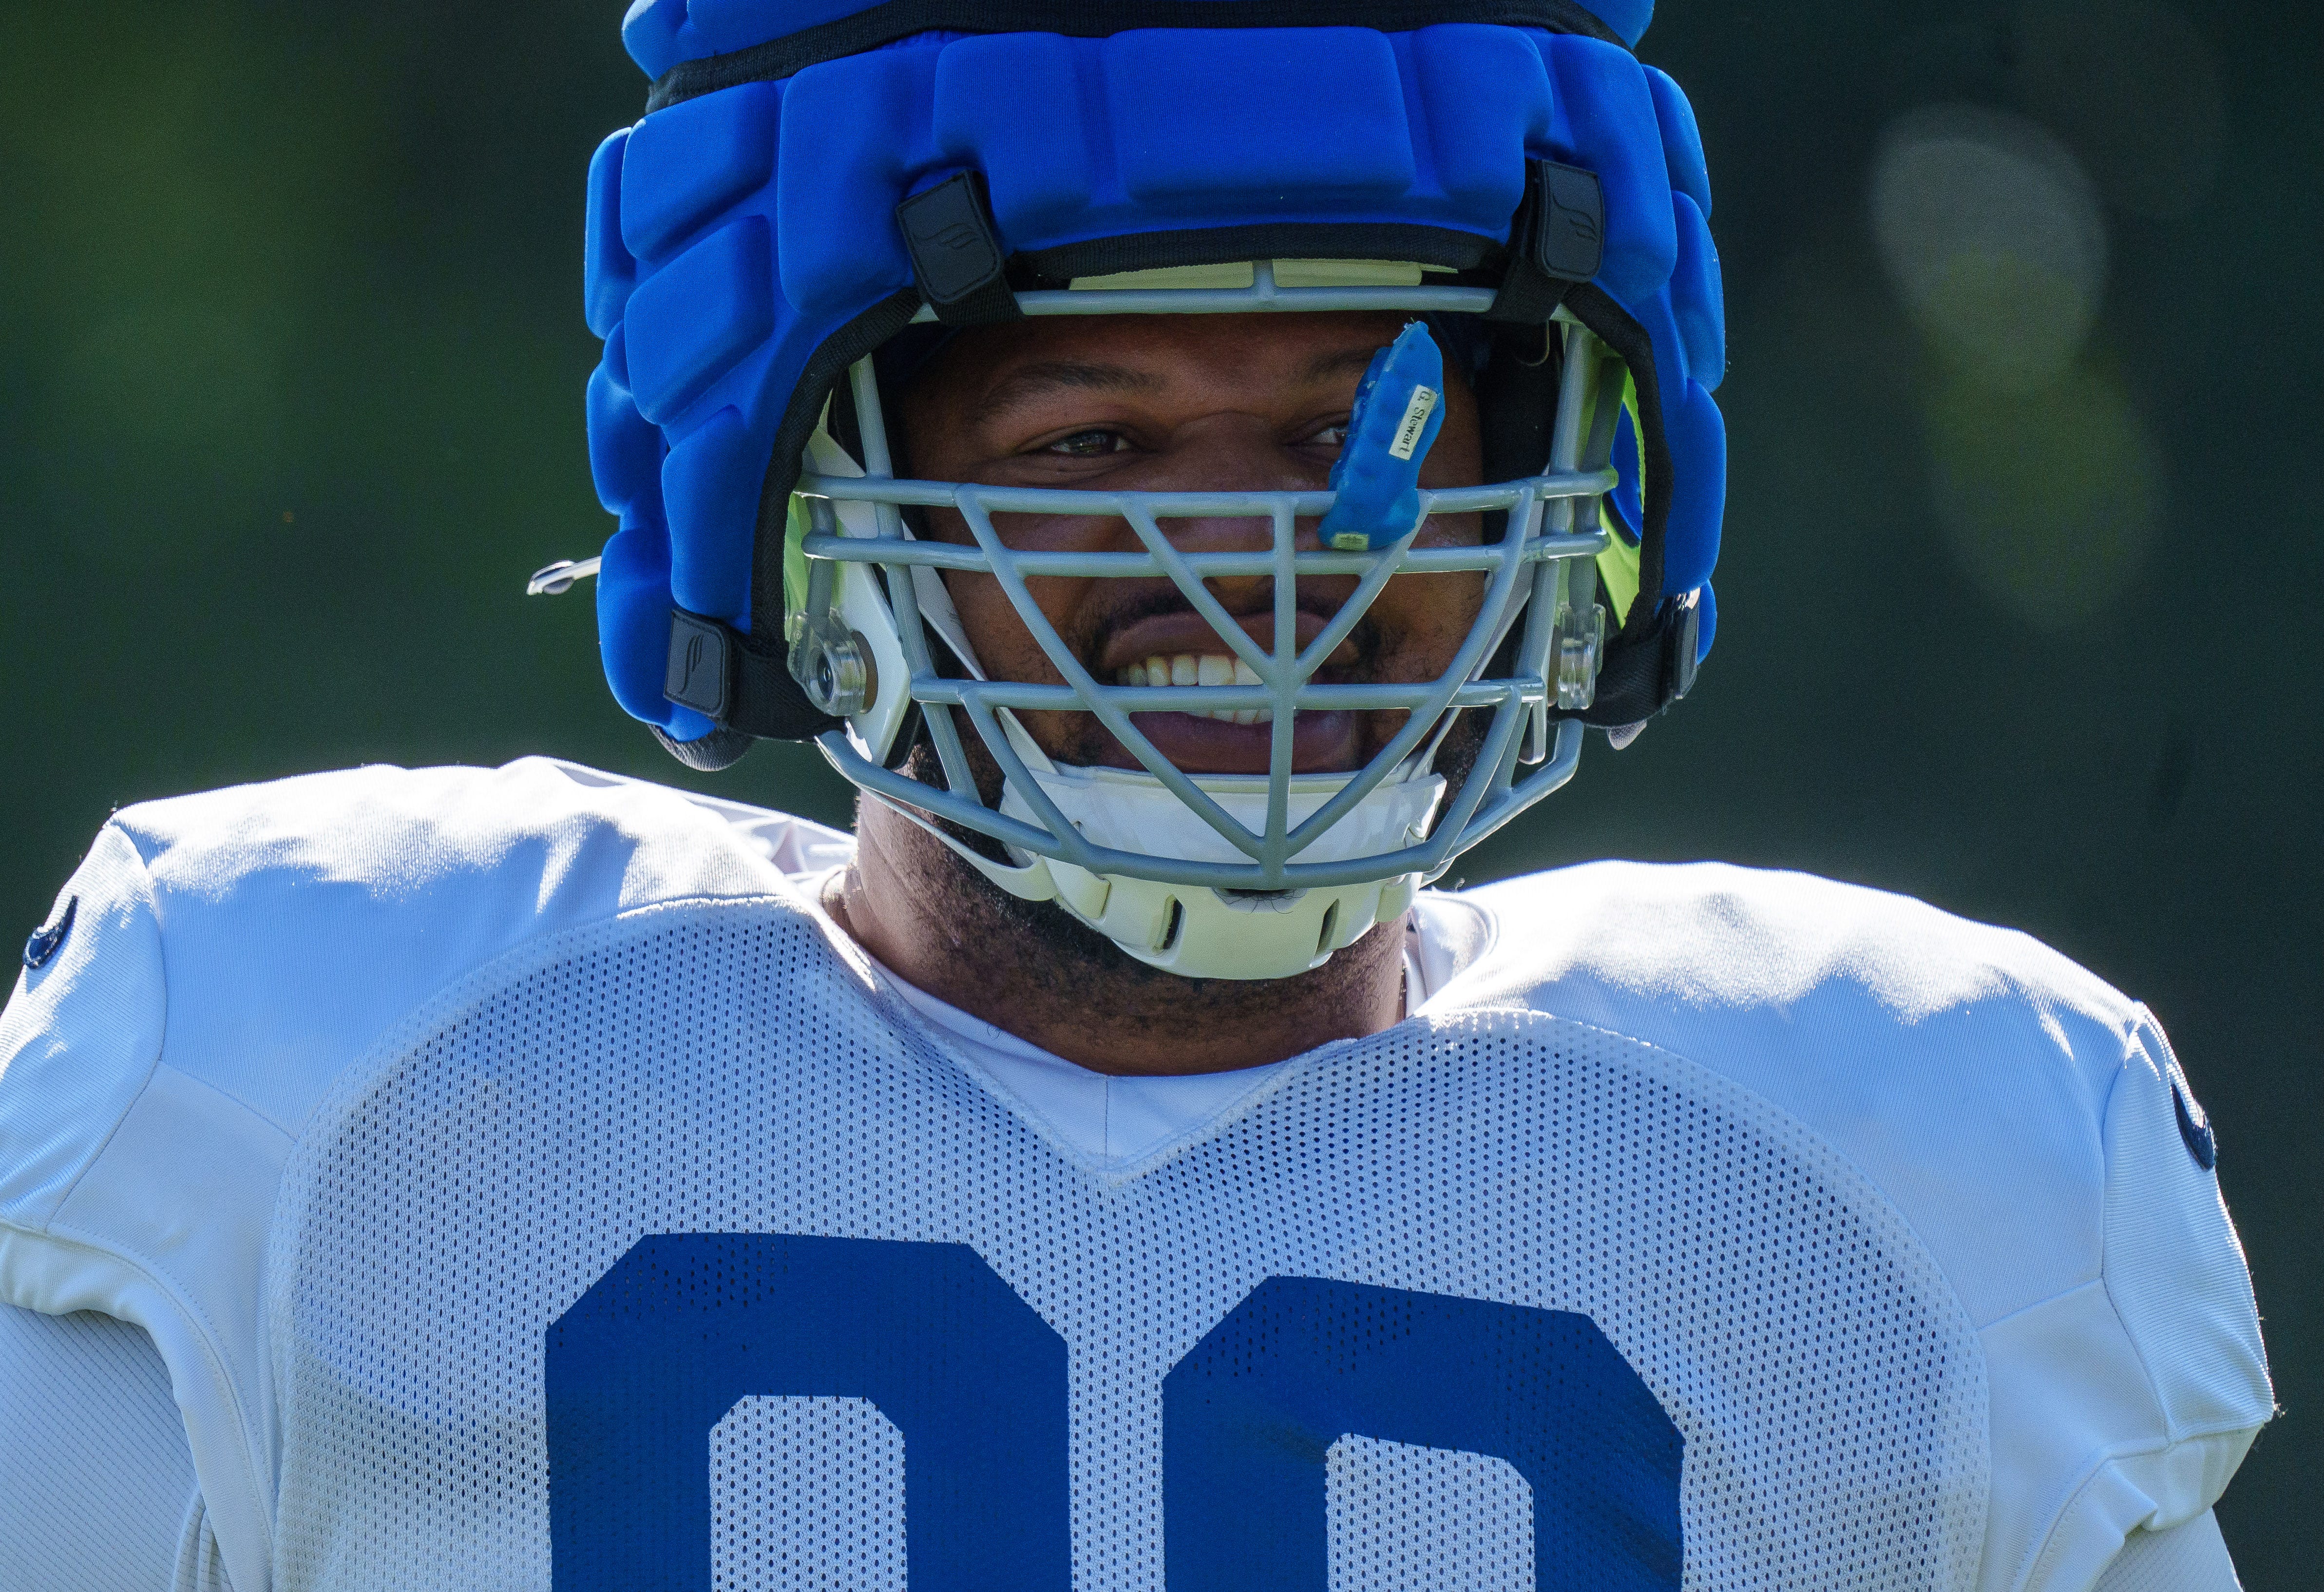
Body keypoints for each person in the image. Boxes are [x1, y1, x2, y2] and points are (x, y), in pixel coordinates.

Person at [0, 2, 2271, 1589]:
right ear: (786, 496)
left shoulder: (1914, 1167)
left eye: (1345, 439)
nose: (1247, 560)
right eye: (1087, 445)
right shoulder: (312, 1078)